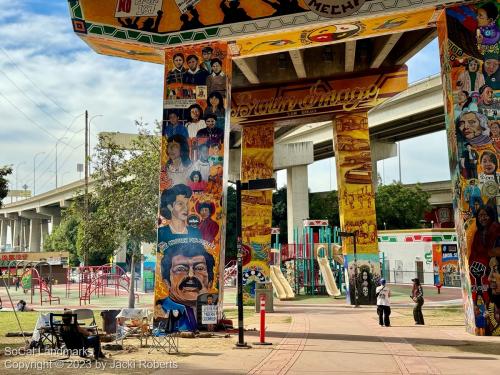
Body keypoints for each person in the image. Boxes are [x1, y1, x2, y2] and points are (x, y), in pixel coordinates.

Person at [158, 241, 215, 332]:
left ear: (210, 282)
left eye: (199, 268)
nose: (191, 275)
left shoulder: (209, 308)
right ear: (167, 282)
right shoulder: (160, 309)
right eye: (181, 269)